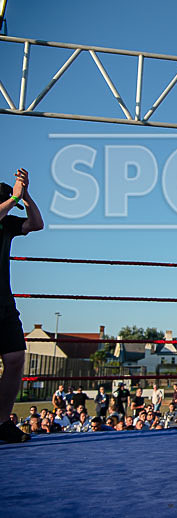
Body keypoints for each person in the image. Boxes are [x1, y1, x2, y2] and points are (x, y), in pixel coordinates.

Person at [0, 169, 43, 443]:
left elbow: (36, 224)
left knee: (15, 359)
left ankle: (2, 421)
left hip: (3, 301)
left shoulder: (6, 225)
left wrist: (25, 197)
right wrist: (14, 196)